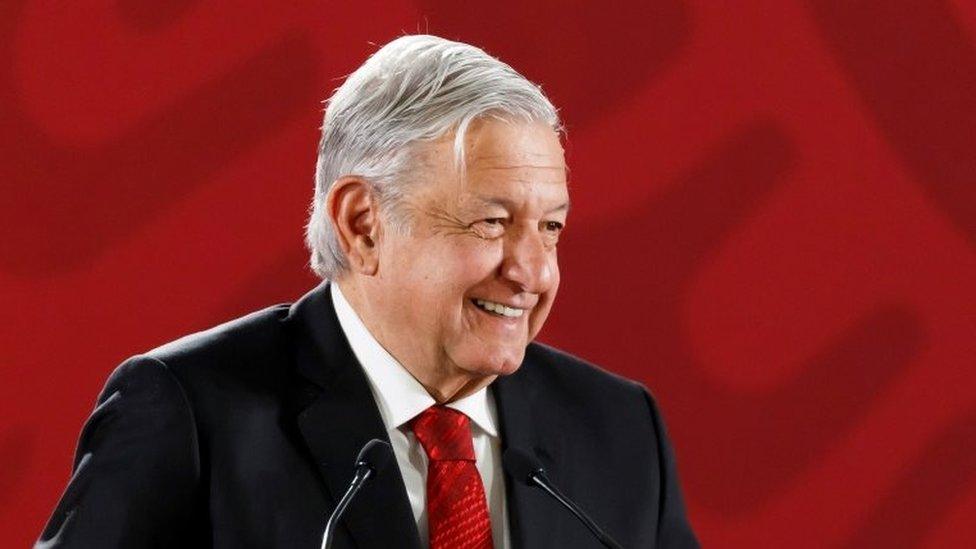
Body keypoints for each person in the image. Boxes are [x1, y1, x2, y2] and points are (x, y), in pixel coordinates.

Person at [36, 35, 699, 548]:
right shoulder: (189, 416)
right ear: (362, 223)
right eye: (492, 223)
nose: (533, 272)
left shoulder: (618, 427)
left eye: (550, 227)